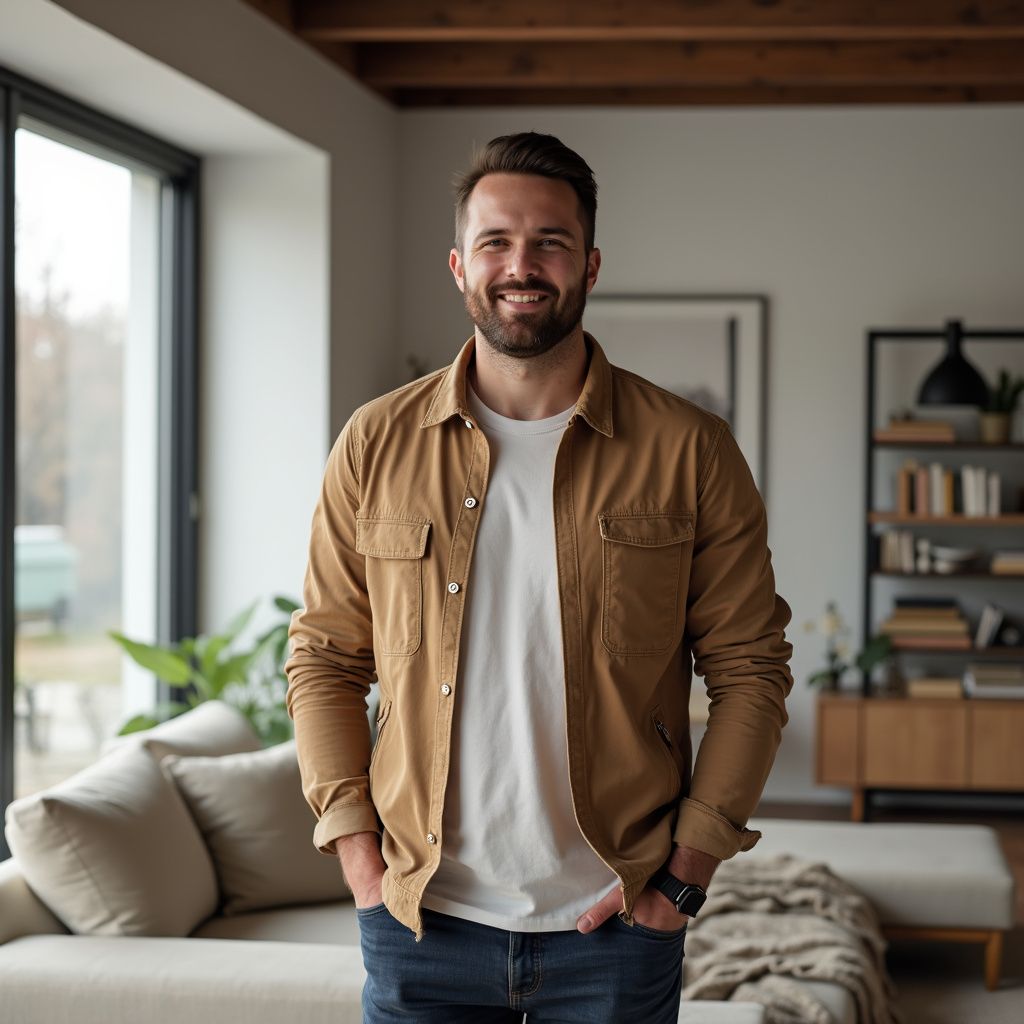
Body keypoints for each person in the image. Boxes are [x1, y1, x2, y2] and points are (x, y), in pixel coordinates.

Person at [285, 132, 794, 1023]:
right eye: (496, 242)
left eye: (550, 242)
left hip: (615, 928)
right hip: (420, 927)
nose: (522, 265)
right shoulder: (375, 442)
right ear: (458, 264)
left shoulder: (690, 449)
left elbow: (751, 669)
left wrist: (682, 879)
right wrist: (359, 857)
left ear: (590, 262)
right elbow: (325, 655)